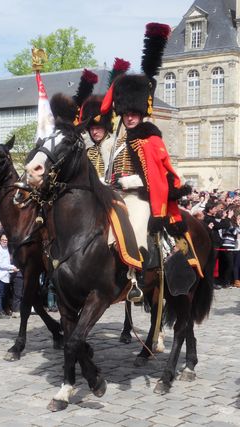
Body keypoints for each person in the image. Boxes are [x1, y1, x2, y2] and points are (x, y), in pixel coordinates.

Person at [101, 23, 191, 302]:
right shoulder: (116, 140)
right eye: (126, 113)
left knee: (137, 229)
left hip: (139, 196)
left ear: (141, 113)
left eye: (133, 113)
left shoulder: (150, 139)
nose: (129, 117)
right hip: (113, 195)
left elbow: (154, 177)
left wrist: (127, 181)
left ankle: (136, 278)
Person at [0, 233, 18, 319]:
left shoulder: (7, 250)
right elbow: (1, 264)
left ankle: (4, 310)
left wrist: (12, 269)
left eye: (6, 240)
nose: (4, 241)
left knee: (5, 294)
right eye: (3, 240)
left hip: (6, 276)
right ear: (0, 240)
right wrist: (13, 267)